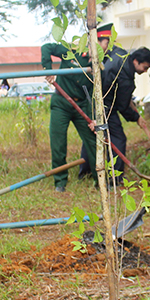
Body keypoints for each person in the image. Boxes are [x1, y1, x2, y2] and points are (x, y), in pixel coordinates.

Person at [40, 23, 114, 191]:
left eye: (108, 44)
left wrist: (95, 119)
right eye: (104, 42)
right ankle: (60, 182)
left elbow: (94, 95)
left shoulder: (98, 68)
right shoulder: (72, 52)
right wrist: (48, 70)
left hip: (82, 105)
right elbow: (46, 48)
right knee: (58, 143)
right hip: (61, 103)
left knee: (94, 141)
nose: (106, 47)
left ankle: (101, 182)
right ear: (94, 42)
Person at [100, 47, 150, 176]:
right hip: (106, 107)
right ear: (136, 61)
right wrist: (136, 117)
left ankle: (86, 172)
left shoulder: (122, 55)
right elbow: (123, 106)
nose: (145, 71)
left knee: (96, 136)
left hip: (97, 100)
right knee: (118, 138)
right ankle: (116, 176)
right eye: (145, 67)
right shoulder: (125, 77)